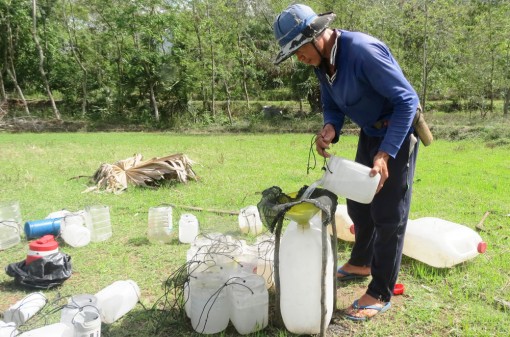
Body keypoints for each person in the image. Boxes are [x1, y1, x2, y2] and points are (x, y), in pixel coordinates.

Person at [273, 4, 420, 321]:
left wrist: (386, 153)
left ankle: (380, 291)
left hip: (396, 134)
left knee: (388, 215)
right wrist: (331, 127)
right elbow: (332, 104)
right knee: (359, 205)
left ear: (316, 35)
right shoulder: (321, 63)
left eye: (299, 49)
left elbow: (407, 100)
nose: (299, 58)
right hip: (370, 134)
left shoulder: (362, 51)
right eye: (293, 53)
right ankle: (361, 261)